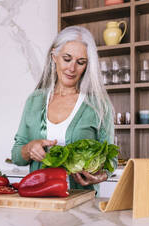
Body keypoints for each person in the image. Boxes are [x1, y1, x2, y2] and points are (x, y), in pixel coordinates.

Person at [11, 26, 116, 193]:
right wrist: (29, 148)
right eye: (67, 59)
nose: (72, 68)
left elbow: (112, 159)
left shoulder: (99, 105)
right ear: (54, 57)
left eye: (80, 62)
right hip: (40, 201)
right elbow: (17, 155)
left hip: (82, 204)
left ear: (88, 65)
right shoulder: (35, 100)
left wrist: (100, 175)